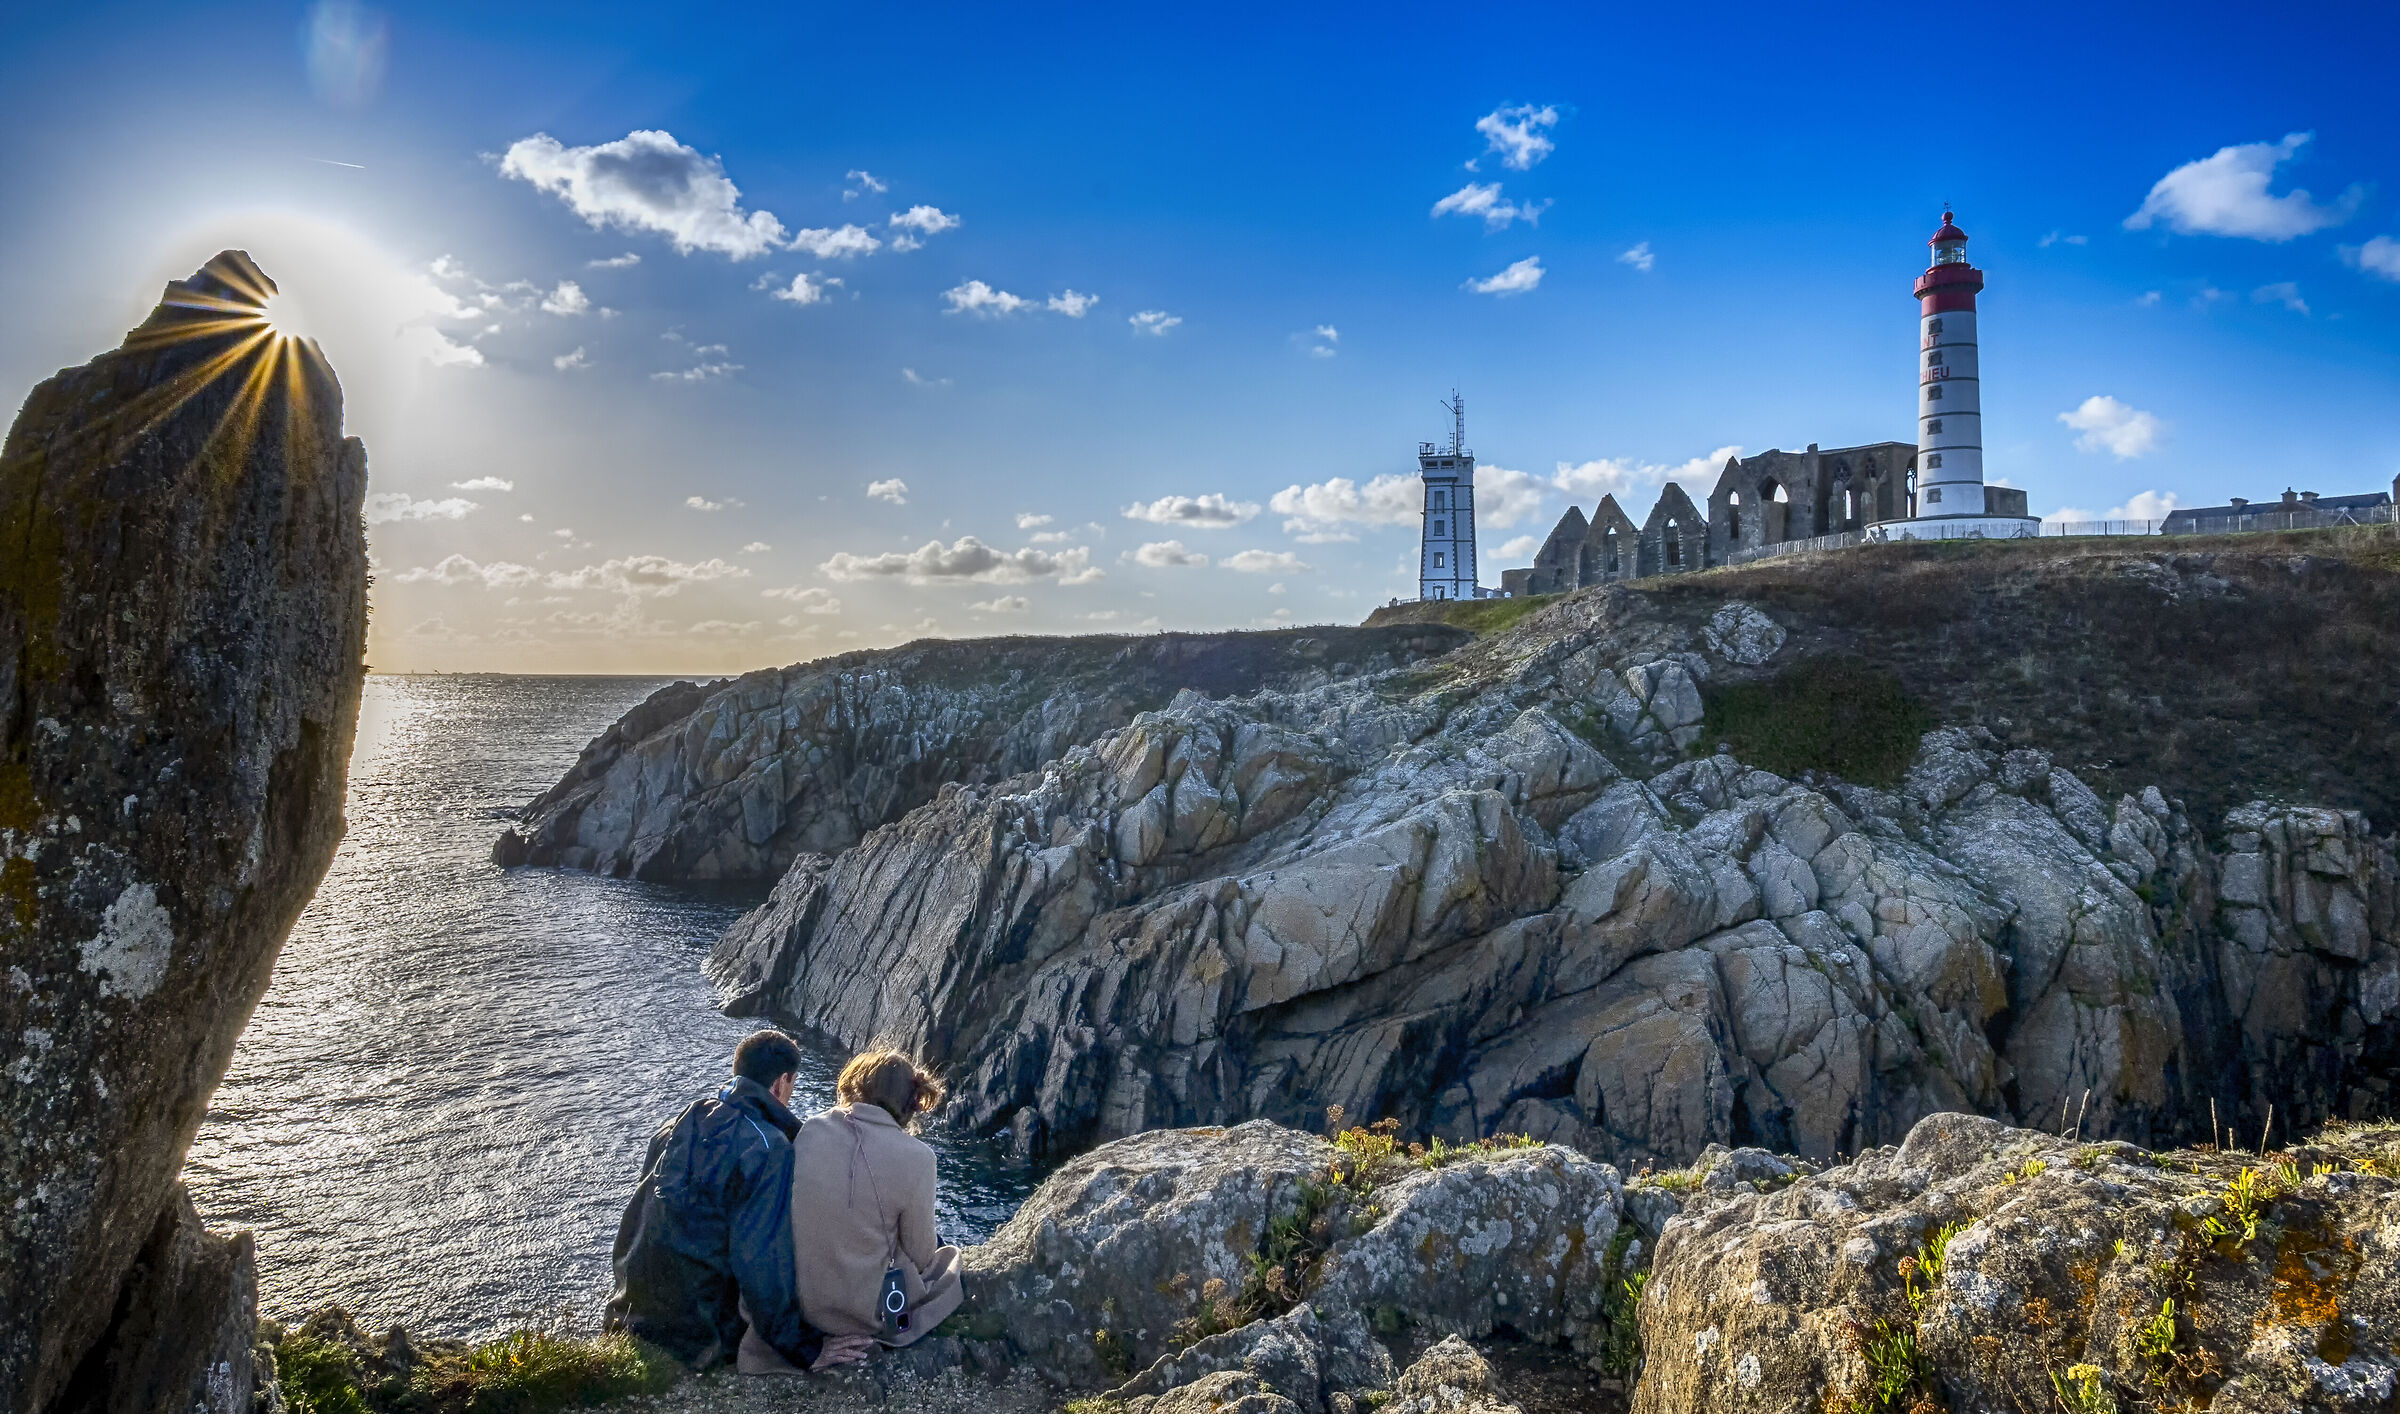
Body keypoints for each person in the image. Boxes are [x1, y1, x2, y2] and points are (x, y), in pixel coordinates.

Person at [604, 1030, 823, 1372]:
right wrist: (806, 1349)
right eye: (792, 1085)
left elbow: (635, 1220)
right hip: (700, 1338)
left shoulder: (674, 1125)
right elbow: (760, 1260)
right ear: (781, 1083)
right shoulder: (768, 1147)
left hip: (629, 1313)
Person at [786, 1049, 966, 1369]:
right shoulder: (919, 1158)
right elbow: (922, 1254)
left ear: (855, 1086)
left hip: (799, 1306)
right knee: (946, 1260)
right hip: (858, 1317)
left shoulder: (811, 1128)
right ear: (910, 1101)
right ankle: (890, 1322)